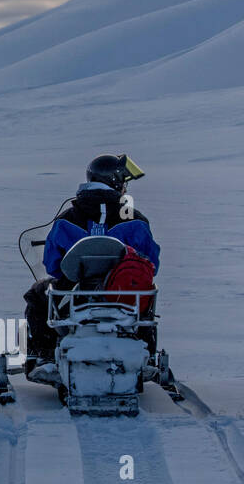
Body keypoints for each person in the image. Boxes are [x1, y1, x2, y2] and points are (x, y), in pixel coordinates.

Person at [23, 154, 160, 375]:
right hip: (124, 298)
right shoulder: (135, 220)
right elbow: (151, 264)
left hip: (74, 298)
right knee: (146, 296)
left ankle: (44, 355)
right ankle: (148, 354)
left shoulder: (67, 219)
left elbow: (52, 265)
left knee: (37, 295)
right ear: (115, 182)